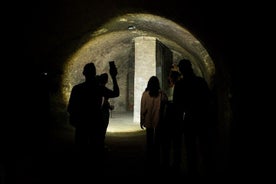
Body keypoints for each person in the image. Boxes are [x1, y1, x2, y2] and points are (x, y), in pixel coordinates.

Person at [67, 62, 119, 158]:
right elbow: (116, 93)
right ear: (95, 73)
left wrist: (75, 119)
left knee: (81, 149)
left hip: (82, 123)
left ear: (83, 73)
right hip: (95, 122)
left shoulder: (77, 88)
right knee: (95, 150)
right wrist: (114, 77)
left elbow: (70, 108)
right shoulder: (98, 88)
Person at [173, 59, 212, 177]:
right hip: (201, 118)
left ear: (181, 70)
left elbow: (177, 106)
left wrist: (178, 123)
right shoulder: (200, 81)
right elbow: (208, 100)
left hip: (189, 119)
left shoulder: (180, 85)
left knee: (191, 148)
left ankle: (193, 171)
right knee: (204, 146)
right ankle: (207, 170)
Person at [140, 76, 168, 173]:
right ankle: (156, 160)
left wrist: (142, 120)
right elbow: (166, 103)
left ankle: (149, 160)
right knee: (157, 142)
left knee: (149, 141)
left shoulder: (145, 94)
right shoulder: (161, 94)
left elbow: (142, 108)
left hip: (148, 120)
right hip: (159, 121)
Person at [161, 70, 181, 172]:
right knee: (176, 143)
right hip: (177, 119)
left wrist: (166, 101)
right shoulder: (174, 88)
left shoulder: (176, 88)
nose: (169, 78)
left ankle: (169, 163)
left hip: (172, 119)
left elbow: (174, 103)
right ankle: (175, 163)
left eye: (170, 77)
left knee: (169, 143)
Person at [97, 72, 117, 147]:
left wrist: (108, 106)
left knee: (98, 131)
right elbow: (116, 93)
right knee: (102, 130)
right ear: (106, 81)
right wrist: (114, 77)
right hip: (102, 113)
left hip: (99, 112)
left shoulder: (97, 88)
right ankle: (100, 146)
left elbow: (104, 101)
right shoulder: (102, 89)